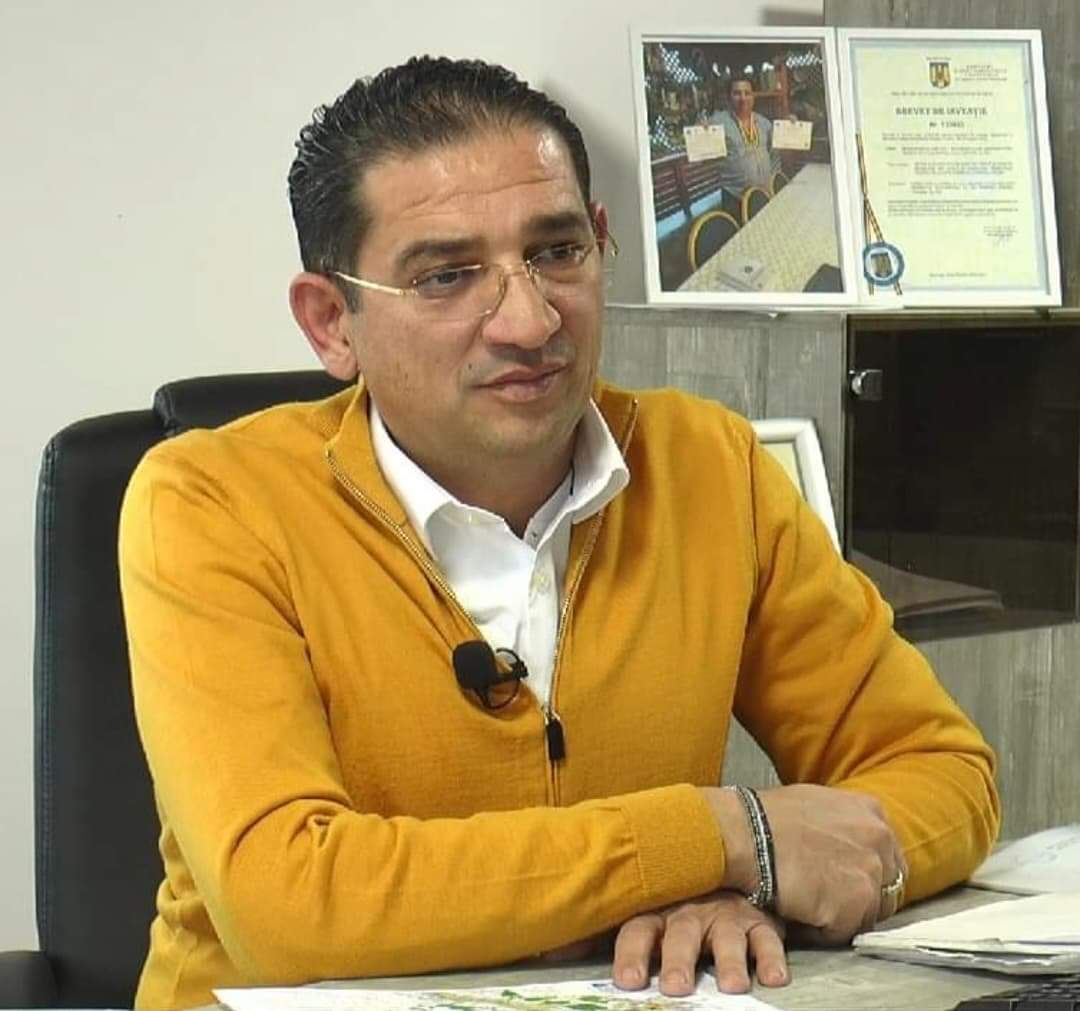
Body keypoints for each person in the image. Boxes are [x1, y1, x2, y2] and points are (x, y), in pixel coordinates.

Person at [118, 56, 1000, 1011]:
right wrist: (721, 835)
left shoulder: (712, 468)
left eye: (558, 251)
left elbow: (944, 772)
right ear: (332, 321)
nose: (531, 320)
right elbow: (286, 898)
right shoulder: (211, 501)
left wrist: (764, 888)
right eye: (447, 276)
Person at [707, 77, 783, 214]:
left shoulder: (764, 123)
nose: (743, 98)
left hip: (764, 194)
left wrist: (773, 184)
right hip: (735, 197)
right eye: (737, 93)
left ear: (753, 96)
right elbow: (704, 157)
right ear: (729, 97)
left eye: (747, 93)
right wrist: (700, 132)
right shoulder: (716, 124)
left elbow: (774, 155)